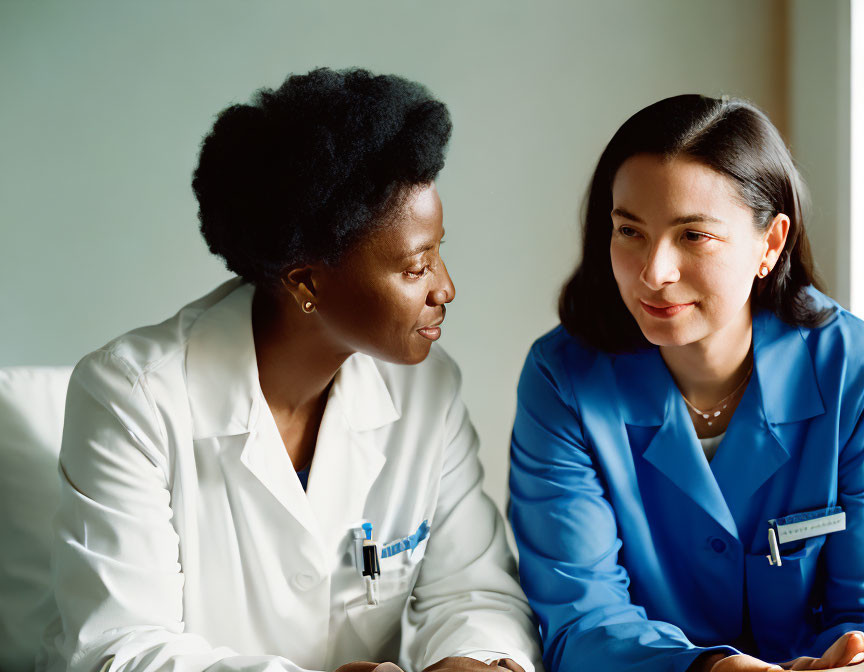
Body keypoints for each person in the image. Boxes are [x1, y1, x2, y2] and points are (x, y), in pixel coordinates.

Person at [39, 68, 541, 672]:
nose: (446, 288)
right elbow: (118, 649)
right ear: (306, 282)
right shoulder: (131, 398)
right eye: (415, 267)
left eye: (440, 252)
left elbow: (475, 592)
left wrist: (475, 660)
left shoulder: (427, 389)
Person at [508, 94, 864, 672]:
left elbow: (860, 609)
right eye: (630, 231)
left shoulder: (854, 371)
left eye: (693, 236)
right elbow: (581, 618)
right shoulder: (562, 379)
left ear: (769, 244)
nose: (653, 273)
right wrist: (708, 669)